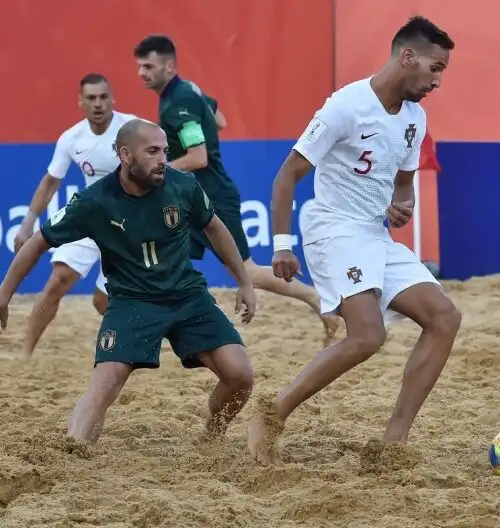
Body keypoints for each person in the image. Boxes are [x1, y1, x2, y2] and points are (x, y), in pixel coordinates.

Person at [247, 16, 462, 465]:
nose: (438, 80)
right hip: (334, 229)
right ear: (407, 57)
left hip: (372, 232)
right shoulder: (345, 105)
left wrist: (401, 205)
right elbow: (288, 174)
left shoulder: (414, 118)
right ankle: (273, 414)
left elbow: (404, 184)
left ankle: (392, 444)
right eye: (435, 67)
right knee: (367, 337)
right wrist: (282, 244)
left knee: (444, 316)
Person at [0, 119, 256, 443]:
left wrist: (244, 282)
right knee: (104, 384)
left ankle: (211, 436)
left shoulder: (183, 185)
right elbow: (39, 241)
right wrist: (5, 293)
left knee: (241, 375)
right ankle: (73, 452)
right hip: (132, 301)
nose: (162, 159)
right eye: (152, 151)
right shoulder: (95, 201)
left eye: (164, 151)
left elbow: (215, 228)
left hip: (187, 296)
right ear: (125, 155)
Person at [133, 34, 341, 345]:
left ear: (168, 66)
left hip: (211, 196)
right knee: (166, 254)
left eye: (148, 66)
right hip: (193, 195)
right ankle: (163, 322)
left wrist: (157, 169)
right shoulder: (188, 90)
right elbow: (219, 119)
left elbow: (198, 156)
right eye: (139, 67)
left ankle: (319, 302)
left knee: (248, 271)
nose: (142, 73)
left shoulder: (179, 103)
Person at [14, 73, 137, 359]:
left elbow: (158, 165)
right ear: (80, 102)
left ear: (112, 99)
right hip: (91, 219)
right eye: (91, 98)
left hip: (126, 225)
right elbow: (50, 182)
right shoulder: (71, 138)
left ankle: (140, 343)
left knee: (102, 301)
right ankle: (25, 354)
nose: (98, 104)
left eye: (103, 97)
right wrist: (27, 222)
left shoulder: (130, 128)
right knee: (58, 279)